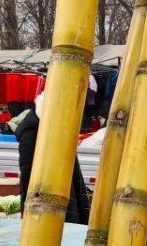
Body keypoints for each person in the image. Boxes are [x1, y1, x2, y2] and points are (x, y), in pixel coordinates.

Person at [12, 85, 91, 223]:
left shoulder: (56, 127)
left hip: (61, 190)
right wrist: (28, 209)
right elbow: (28, 173)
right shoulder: (32, 132)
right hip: (46, 197)